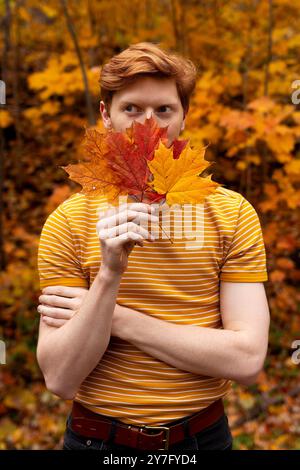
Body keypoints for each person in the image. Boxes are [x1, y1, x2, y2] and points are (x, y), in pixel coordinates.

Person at [36, 42, 270, 452]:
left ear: (185, 114)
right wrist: (108, 275)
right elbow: (60, 378)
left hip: (202, 440)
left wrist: (113, 316)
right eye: (132, 110)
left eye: (164, 110)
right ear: (106, 114)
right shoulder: (68, 222)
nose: (150, 124)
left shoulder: (232, 213)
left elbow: (247, 360)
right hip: (96, 442)